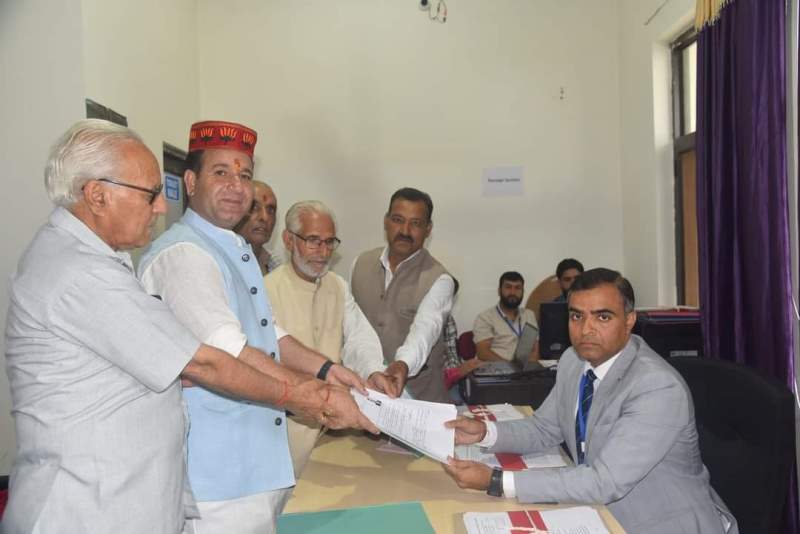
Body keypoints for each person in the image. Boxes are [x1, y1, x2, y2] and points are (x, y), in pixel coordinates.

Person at [3, 120, 369, 534]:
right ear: (97, 195)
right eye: (150, 194)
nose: (160, 207)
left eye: (244, 175)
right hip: (88, 506)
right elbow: (208, 362)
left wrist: (322, 374)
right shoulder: (80, 271)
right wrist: (306, 395)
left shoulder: (102, 262)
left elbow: (234, 347)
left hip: (128, 499)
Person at [139, 120, 376, 534]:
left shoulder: (230, 246)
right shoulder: (184, 255)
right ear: (190, 181)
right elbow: (227, 351)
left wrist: (327, 370)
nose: (236, 185)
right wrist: (315, 396)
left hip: (256, 464)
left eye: (244, 175)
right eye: (221, 173)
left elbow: (270, 335)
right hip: (217, 477)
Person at [442, 268, 737, 534]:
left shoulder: (656, 386)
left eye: (603, 316)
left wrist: (497, 481)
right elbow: (545, 428)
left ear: (629, 321)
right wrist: (485, 432)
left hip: (658, 521)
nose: (586, 330)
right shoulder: (573, 360)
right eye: (576, 316)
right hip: (598, 511)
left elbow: (604, 482)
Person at [263, 200, 399, 475]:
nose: (323, 252)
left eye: (329, 242)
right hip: (280, 433)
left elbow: (359, 336)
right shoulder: (265, 290)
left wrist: (372, 370)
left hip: (330, 433)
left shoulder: (337, 286)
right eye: (313, 241)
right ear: (289, 240)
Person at [351, 187, 458, 403]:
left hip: (419, 401)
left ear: (428, 229)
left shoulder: (440, 279)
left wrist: (402, 364)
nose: (405, 230)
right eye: (398, 220)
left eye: (416, 223)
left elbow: (425, 330)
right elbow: (351, 327)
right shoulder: (359, 264)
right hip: (364, 395)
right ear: (386, 221)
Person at [473, 271, 538, 362]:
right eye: (508, 287)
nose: (513, 292)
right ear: (499, 291)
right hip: (495, 370)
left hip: (524, 371)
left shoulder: (529, 315)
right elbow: (483, 353)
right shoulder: (485, 318)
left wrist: (529, 370)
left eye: (517, 288)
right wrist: (510, 368)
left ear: (523, 291)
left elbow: (535, 348)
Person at [234, 180, 281, 275]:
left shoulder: (275, 265)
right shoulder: (216, 259)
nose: (265, 217)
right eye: (254, 208)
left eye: (270, 210)